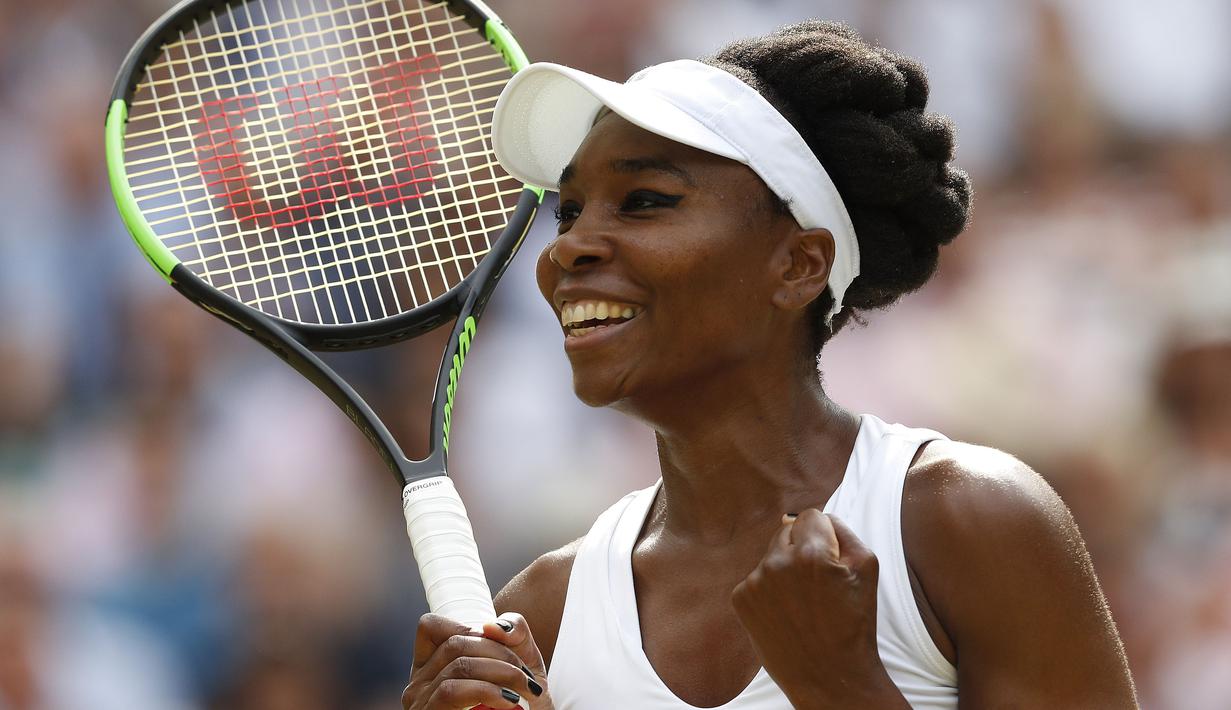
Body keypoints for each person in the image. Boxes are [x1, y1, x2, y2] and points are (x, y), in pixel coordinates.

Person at [402, 20, 1138, 709]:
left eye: (644, 201)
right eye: (568, 211)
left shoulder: (970, 520)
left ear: (798, 264)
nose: (567, 249)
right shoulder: (544, 611)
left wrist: (843, 687)